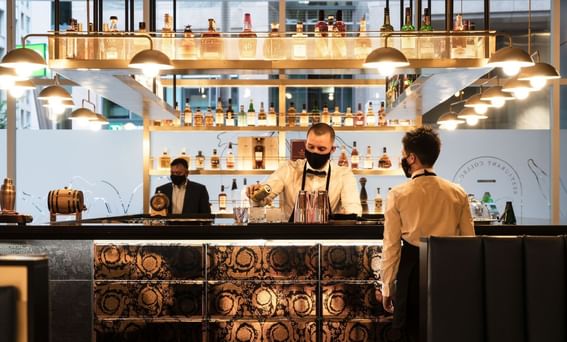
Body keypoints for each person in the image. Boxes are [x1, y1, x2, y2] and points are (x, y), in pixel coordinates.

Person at [380, 127, 474, 342]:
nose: (403, 159)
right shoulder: (457, 192)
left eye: (404, 155)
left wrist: (387, 286)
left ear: (411, 158)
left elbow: (391, 246)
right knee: (445, 330)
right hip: (448, 269)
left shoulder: (398, 194)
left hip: (412, 269)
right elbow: (469, 243)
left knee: (412, 332)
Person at [246, 123, 361, 220]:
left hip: (329, 241)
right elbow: (263, 199)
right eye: (311, 147)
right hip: (291, 241)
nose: (315, 152)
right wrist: (256, 194)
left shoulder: (344, 174)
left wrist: (345, 217)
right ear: (305, 145)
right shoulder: (288, 169)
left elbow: (353, 211)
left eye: (321, 149)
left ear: (332, 150)